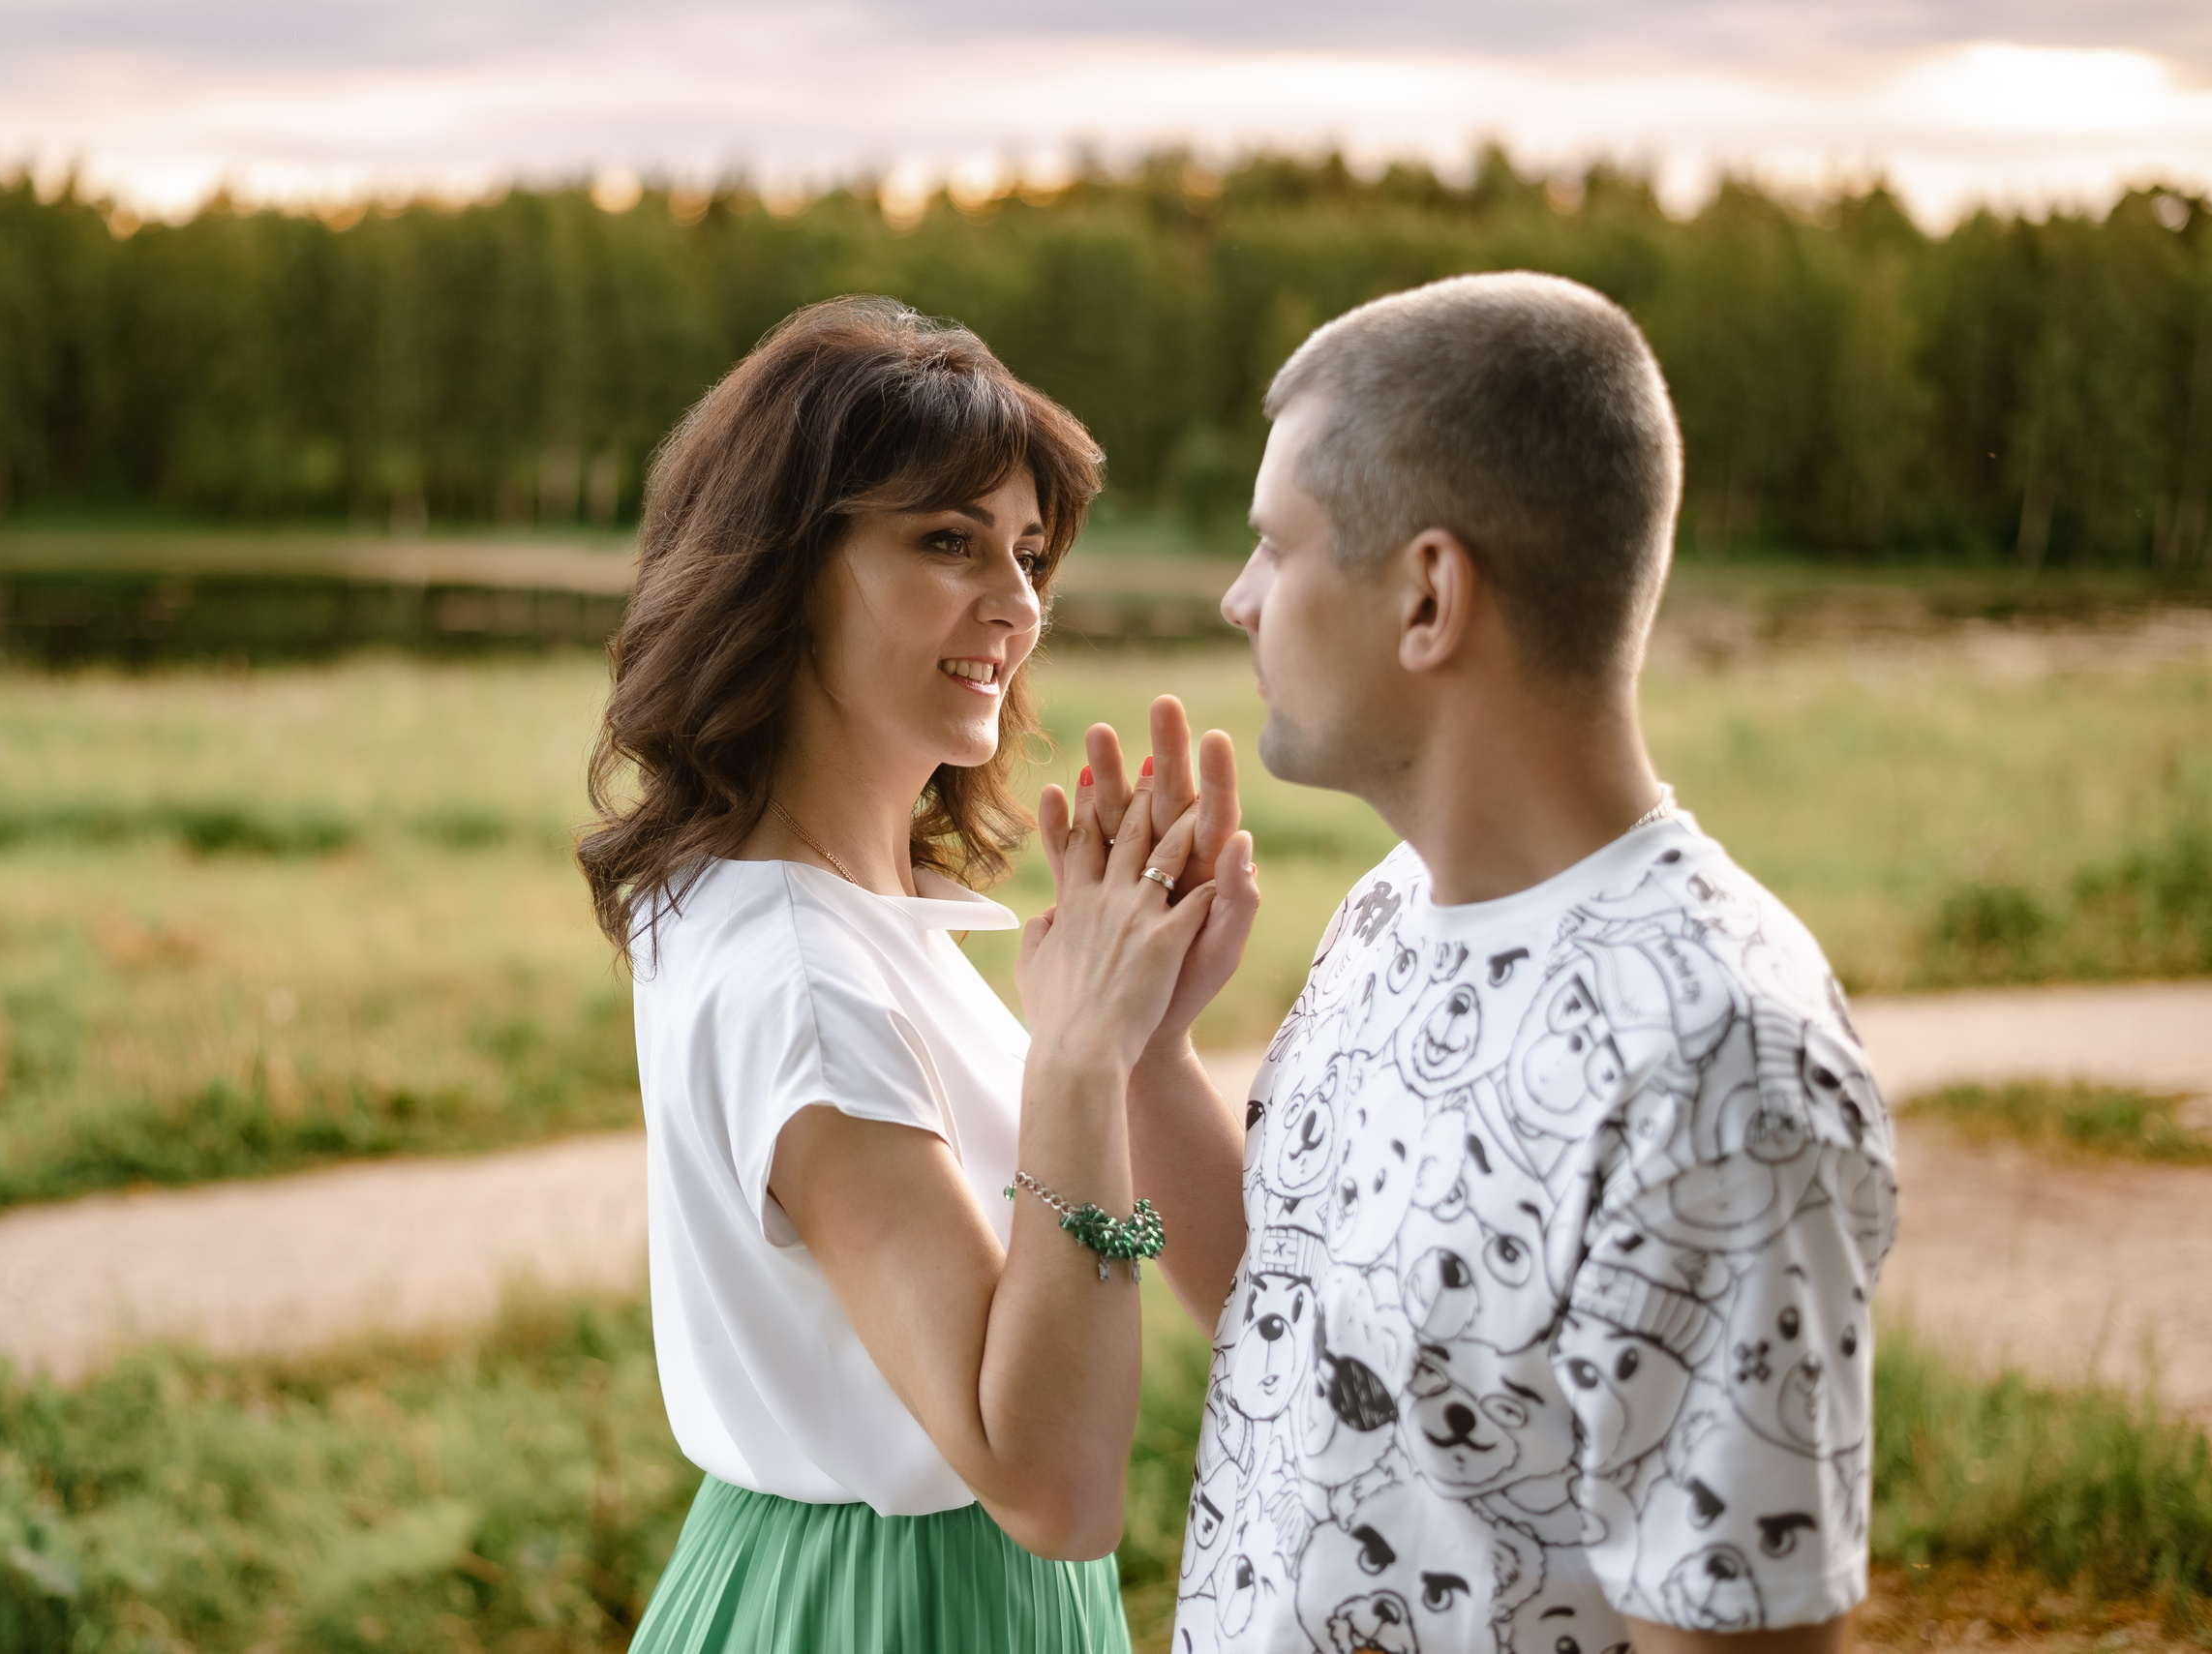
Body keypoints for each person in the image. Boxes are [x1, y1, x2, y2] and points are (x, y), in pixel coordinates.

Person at [1110, 272, 1902, 1653]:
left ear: (1428, 594)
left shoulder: (1719, 1062)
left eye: (1273, 548)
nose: (1238, 600)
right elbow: (1305, 1333)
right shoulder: (1386, 913)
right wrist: (1140, 1049)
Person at [576, 296, 1259, 1651]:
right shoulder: (804, 979)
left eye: (1028, 552)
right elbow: (1051, 1482)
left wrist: (1137, 1051)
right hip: (887, 1608)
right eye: (947, 542)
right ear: (784, 568)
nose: (1015, 604)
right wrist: (1071, 1056)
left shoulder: (829, 911)